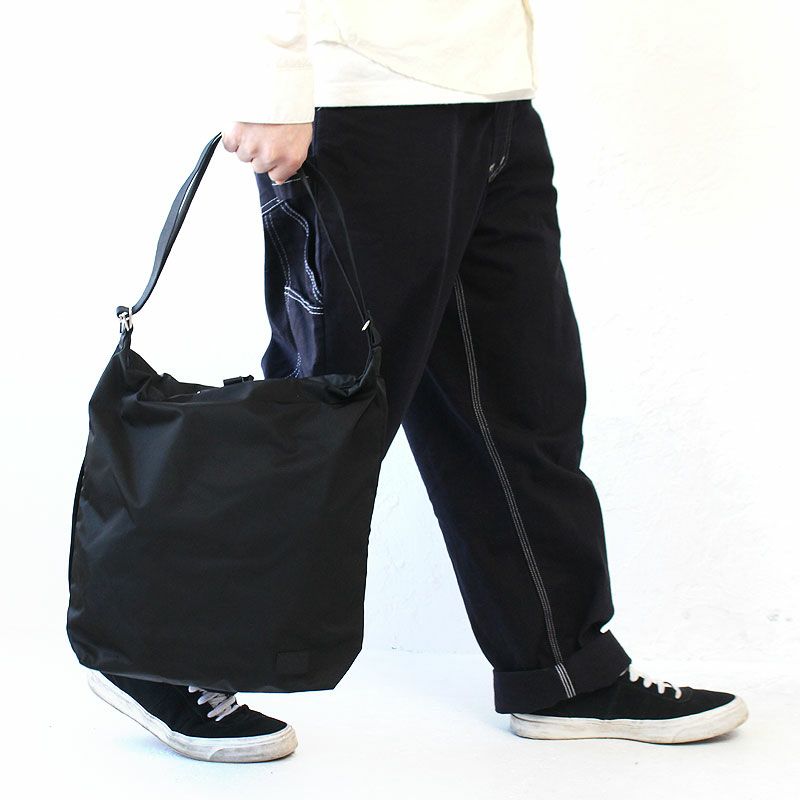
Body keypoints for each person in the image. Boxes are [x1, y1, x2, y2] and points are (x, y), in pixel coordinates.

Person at [86, 0, 748, 762]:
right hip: (362, 109)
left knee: (521, 405)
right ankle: (159, 658)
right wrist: (271, 77)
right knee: (319, 419)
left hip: (493, 98)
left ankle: (561, 672)